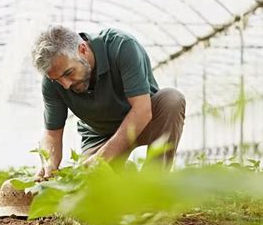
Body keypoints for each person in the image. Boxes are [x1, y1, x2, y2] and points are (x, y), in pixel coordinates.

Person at [31, 26, 185, 179]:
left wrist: (101, 158)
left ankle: (154, 182)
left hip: (144, 122)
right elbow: (52, 134)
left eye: (68, 73)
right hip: (99, 136)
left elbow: (142, 110)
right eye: (57, 80)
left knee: (172, 99)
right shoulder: (52, 81)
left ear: (83, 50)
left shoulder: (121, 46)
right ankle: (125, 173)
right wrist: (49, 164)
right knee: (95, 188)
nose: (66, 85)